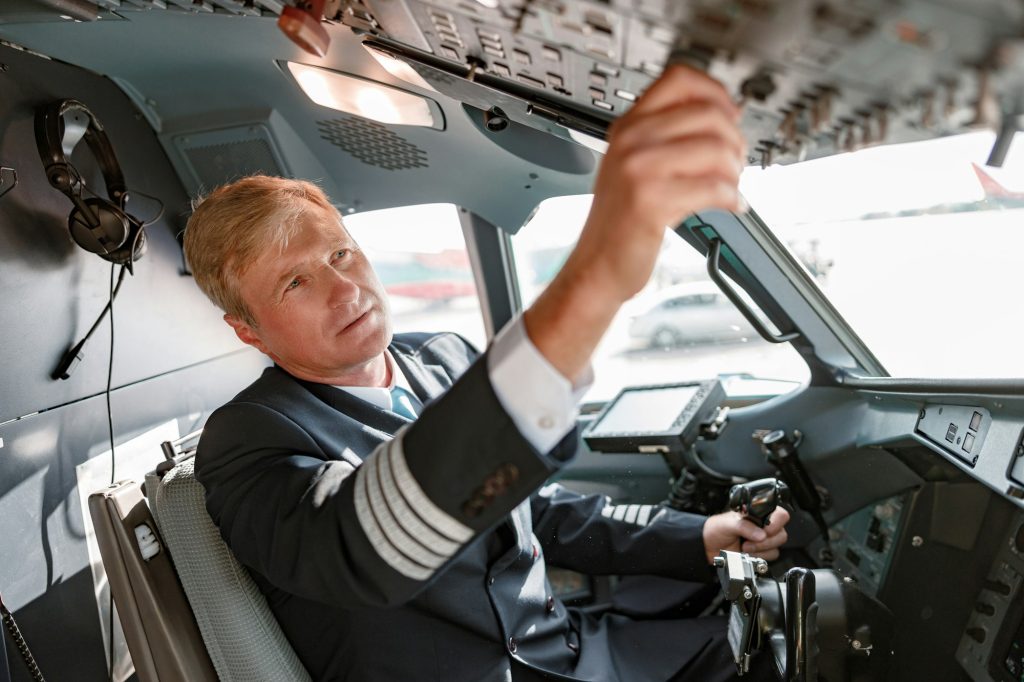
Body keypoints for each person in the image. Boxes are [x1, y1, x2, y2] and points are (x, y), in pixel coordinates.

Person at [183, 64, 789, 681]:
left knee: (783, 642)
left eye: (341, 254)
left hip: (566, 652)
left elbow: (535, 510)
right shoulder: (248, 437)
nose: (345, 290)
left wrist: (698, 537)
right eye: (295, 282)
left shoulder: (442, 356)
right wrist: (596, 281)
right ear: (247, 329)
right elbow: (362, 544)